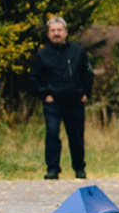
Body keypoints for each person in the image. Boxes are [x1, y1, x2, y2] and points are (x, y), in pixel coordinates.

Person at [29, 16, 94, 180]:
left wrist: (86, 93)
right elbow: (33, 78)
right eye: (53, 31)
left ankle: (79, 168)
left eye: (59, 30)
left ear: (65, 32)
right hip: (53, 103)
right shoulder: (43, 54)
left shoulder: (77, 51)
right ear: (48, 34)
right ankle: (52, 169)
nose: (56, 33)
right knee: (52, 134)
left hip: (74, 101)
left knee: (76, 136)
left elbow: (87, 73)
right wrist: (44, 94)